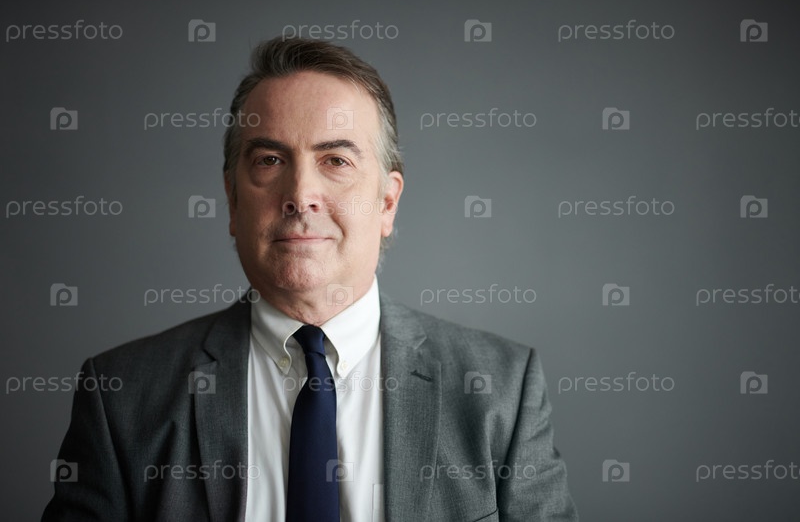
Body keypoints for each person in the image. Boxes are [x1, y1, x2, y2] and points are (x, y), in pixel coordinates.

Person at [42, 37, 577, 522]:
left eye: (336, 160)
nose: (300, 195)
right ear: (232, 200)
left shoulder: (502, 389)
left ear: (387, 202)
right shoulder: (122, 396)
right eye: (270, 160)